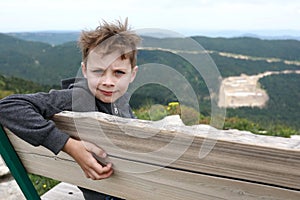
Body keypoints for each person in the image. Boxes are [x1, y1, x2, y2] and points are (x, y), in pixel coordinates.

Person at [0, 18, 141, 200]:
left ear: (132, 74)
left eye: (118, 73)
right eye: (98, 71)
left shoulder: (121, 102)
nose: (108, 81)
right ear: (84, 70)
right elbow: (6, 107)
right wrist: (69, 145)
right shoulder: (78, 98)